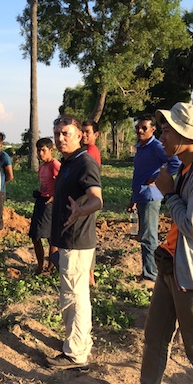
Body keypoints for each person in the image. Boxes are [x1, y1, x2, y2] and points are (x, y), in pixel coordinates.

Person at [104, 102, 193, 384]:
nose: (161, 136)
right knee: (155, 334)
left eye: (166, 130)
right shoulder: (192, 165)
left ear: (185, 135)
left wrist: (168, 193)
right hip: (173, 264)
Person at [45, 116, 102, 370]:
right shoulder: (69, 162)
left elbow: (96, 200)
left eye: (66, 133)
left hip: (77, 239)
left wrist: (81, 211)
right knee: (76, 294)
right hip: (69, 239)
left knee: (74, 296)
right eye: (57, 133)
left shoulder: (85, 163)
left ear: (80, 135)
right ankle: (79, 342)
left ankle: (75, 354)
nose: (60, 138)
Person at [128, 116, 181, 281]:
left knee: (149, 236)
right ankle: (147, 271)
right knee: (144, 234)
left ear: (153, 130)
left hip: (151, 197)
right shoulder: (141, 147)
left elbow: (175, 162)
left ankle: (151, 275)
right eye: (138, 127)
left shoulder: (156, 146)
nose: (140, 131)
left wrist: (156, 177)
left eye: (144, 128)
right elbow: (139, 174)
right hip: (141, 196)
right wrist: (133, 198)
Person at [29, 137, 60, 274]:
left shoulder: (55, 165)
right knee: (35, 236)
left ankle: (50, 268)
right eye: (38, 150)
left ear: (51, 150)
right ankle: (40, 265)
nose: (40, 153)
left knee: (51, 237)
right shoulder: (42, 167)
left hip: (51, 204)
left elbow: (63, 184)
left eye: (43, 150)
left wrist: (54, 197)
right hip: (41, 201)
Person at [82, 120, 101, 286]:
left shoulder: (89, 153)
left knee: (87, 237)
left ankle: (90, 274)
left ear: (96, 134)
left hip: (88, 201)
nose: (84, 135)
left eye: (88, 132)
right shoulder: (87, 151)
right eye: (83, 131)